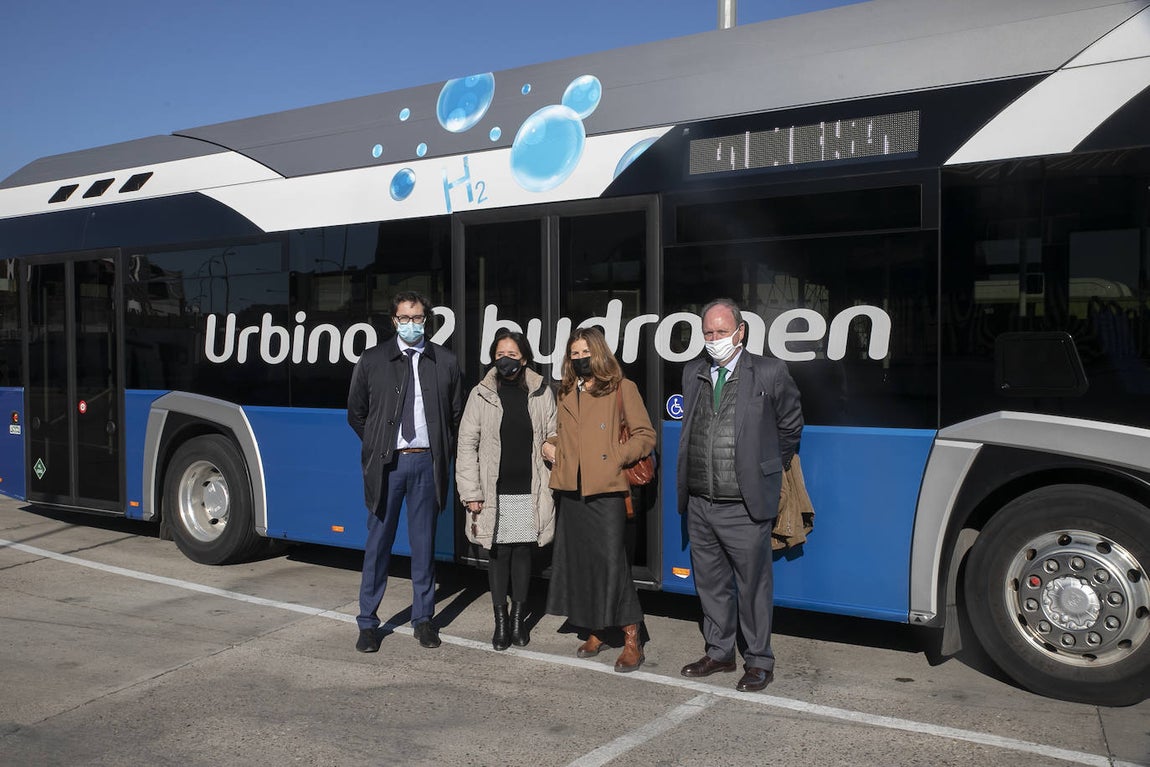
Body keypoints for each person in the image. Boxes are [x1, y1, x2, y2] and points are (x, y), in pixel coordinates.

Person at [677, 298, 803, 692]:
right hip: (701, 502)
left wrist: (767, 469)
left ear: (740, 332)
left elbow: (790, 426)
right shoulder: (694, 371)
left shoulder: (768, 372)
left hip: (744, 505)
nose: (714, 338)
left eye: (721, 331)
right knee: (710, 584)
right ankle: (719, 652)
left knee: (753, 588)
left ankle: (759, 660)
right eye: (708, 332)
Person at [348, 291, 463, 652]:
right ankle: (368, 623)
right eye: (404, 318)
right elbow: (356, 413)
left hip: (426, 464)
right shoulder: (373, 359)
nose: (411, 324)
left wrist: (439, 451)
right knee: (378, 545)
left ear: (426, 321)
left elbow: (455, 416)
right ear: (393, 321)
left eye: (417, 318)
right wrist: (378, 445)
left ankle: (423, 620)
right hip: (389, 465)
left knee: (424, 547)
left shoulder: (445, 361)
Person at [542, 327, 655, 673]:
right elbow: (566, 435)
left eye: (585, 353)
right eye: (574, 354)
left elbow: (645, 436)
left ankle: (632, 636)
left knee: (612, 563)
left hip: (606, 489)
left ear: (599, 354)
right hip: (572, 490)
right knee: (583, 562)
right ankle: (598, 628)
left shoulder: (622, 388)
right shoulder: (566, 391)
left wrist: (615, 457)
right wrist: (550, 445)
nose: (580, 359)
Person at [456, 330, 557, 650]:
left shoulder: (541, 392)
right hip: (493, 491)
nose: (505, 360)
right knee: (498, 555)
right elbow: (466, 445)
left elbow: (554, 432)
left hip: (530, 488)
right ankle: (500, 622)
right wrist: (471, 492)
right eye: (500, 354)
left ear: (524, 358)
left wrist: (552, 445)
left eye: (512, 355)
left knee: (524, 553)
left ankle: (517, 620)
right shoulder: (481, 394)